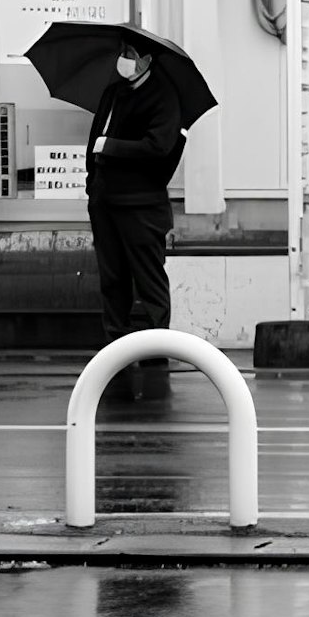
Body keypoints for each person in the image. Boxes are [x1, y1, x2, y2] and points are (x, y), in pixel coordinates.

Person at [86, 38, 186, 392]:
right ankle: (114, 346)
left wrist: (110, 147)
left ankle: (157, 352)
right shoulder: (114, 91)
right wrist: (91, 186)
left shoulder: (164, 95)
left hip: (142, 205)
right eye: (121, 53)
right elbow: (93, 139)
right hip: (106, 200)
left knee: (148, 278)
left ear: (145, 59)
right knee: (112, 277)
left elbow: (158, 147)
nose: (122, 60)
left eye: (128, 55)